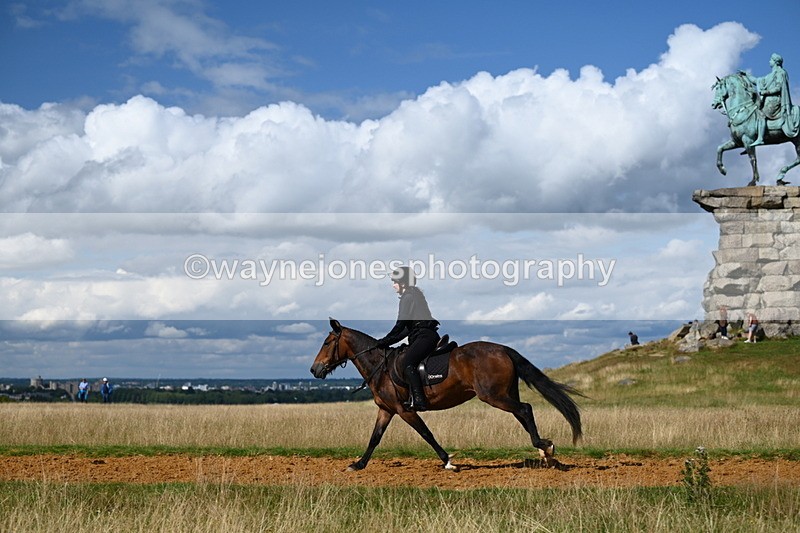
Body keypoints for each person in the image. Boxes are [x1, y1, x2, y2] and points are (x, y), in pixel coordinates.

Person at [376, 266, 440, 411]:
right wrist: (386, 342)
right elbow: (405, 331)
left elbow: (400, 324)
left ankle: (419, 400)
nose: (393, 285)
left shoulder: (408, 297)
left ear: (403, 282)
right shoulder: (414, 295)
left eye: (395, 282)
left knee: (407, 362)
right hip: (423, 335)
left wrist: (385, 340)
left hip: (424, 336)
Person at [744, 53, 799, 146]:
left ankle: (760, 138)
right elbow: (757, 81)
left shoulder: (781, 73)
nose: (769, 61)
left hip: (775, 101)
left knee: (760, 113)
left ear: (775, 62)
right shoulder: (770, 75)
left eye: (771, 60)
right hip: (768, 100)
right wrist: (746, 75)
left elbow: (779, 87)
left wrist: (766, 92)